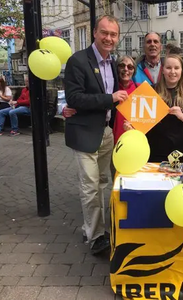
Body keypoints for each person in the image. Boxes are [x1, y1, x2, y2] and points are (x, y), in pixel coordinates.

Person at [63, 15, 128, 256]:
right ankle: (96, 236)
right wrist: (109, 99)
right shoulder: (78, 61)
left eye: (113, 34)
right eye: (104, 33)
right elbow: (74, 98)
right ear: (94, 33)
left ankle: (91, 226)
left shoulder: (112, 63)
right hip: (84, 134)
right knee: (90, 186)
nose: (108, 38)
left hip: (106, 133)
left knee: (102, 183)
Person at [63, 55, 139, 178]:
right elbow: (90, 99)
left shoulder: (140, 89)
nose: (126, 69)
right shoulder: (108, 88)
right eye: (121, 66)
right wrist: (68, 108)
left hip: (132, 143)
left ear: (134, 70)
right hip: (111, 140)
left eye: (130, 67)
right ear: (116, 68)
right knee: (115, 177)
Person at [125, 54, 183, 162]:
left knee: (176, 178)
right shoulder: (152, 90)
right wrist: (131, 126)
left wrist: (181, 116)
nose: (172, 71)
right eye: (168, 68)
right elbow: (140, 118)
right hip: (155, 149)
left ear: (182, 71)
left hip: (180, 151)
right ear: (163, 70)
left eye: (176, 68)